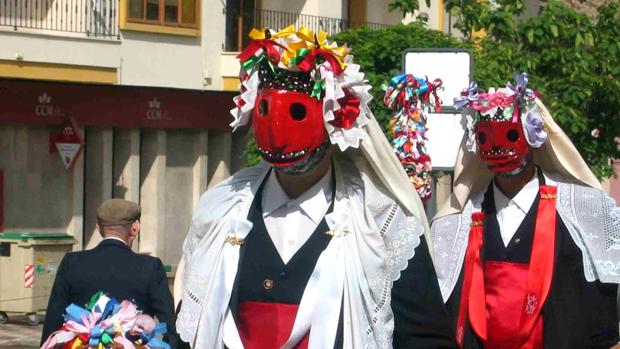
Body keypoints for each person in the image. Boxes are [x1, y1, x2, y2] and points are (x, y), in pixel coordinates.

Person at [174, 26, 455, 349]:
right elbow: (191, 326)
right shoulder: (220, 210)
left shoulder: (380, 223)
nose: (278, 133)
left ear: (336, 120)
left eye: (296, 113)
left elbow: (427, 340)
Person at [431, 73, 620, 348]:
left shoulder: (585, 209)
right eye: (486, 137)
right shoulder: (455, 224)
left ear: (533, 138)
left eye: (509, 135)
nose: (497, 147)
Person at [41, 199, 178, 348]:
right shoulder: (150, 266)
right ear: (135, 228)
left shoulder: (72, 262)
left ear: (98, 228)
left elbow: (54, 319)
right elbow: (169, 323)